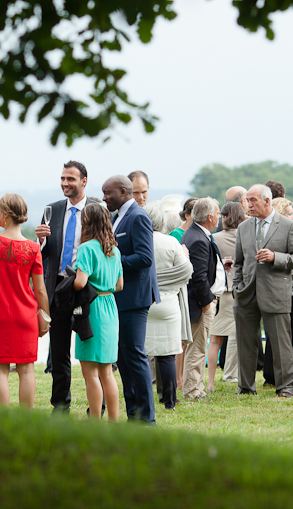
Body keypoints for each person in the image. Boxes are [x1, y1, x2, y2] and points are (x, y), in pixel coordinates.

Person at [233, 184, 293, 397]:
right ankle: (246, 387)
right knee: (246, 344)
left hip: (276, 292)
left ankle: (285, 387)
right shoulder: (243, 227)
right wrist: (238, 286)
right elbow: (239, 262)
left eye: (253, 200)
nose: (249, 205)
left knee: (281, 344)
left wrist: (276, 257)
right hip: (246, 293)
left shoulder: (288, 225)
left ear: (267, 201)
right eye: (247, 200)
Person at [0, 193, 49, 408]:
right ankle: (25, 421)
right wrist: (45, 316)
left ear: (6, 215)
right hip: (25, 316)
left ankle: (4, 419)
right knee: (26, 369)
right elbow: (41, 289)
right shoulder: (33, 248)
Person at [36, 160, 95, 413]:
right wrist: (40, 241)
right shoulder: (52, 209)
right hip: (58, 287)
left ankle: (97, 406)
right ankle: (60, 406)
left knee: (91, 349)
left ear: (84, 181)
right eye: (62, 178)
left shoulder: (97, 210)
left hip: (86, 288)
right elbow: (45, 253)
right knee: (59, 351)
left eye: (70, 179)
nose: (65, 183)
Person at [102, 175, 159, 423]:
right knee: (124, 358)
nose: (104, 198)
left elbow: (145, 258)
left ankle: (146, 418)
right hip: (121, 298)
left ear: (123, 192)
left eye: (108, 193)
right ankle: (133, 415)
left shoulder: (138, 217)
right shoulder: (118, 217)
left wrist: (113, 263)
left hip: (135, 298)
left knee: (135, 356)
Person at [73, 203, 125, 421]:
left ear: (86, 222)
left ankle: (95, 419)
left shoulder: (86, 248)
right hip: (110, 307)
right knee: (107, 371)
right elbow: (119, 285)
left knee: (90, 373)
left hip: (92, 309)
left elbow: (80, 282)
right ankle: (113, 419)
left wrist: (72, 279)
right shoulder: (114, 249)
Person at [143, 201, 192, 410]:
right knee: (167, 355)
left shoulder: (137, 240)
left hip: (143, 301)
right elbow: (186, 272)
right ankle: (169, 401)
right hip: (168, 302)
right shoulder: (171, 242)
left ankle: (144, 398)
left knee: (142, 354)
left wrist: (152, 279)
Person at [180, 197, 223, 401]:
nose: (219, 217)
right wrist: (206, 302)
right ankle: (192, 391)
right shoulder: (198, 238)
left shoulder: (196, 233)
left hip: (199, 302)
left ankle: (196, 387)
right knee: (197, 348)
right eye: (218, 213)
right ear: (209, 217)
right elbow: (198, 277)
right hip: (199, 304)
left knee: (196, 347)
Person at [263, 197, 293, 384]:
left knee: (291, 328)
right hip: (274, 285)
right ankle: (275, 373)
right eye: (289, 213)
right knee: (278, 330)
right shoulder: (273, 232)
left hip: (292, 286)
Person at [207, 201, 245, 390]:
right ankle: (233, 374)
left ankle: (210, 381)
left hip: (222, 292)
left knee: (215, 338)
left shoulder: (215, 238)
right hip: (242, 290)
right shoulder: (246, 236)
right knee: (238, 336)